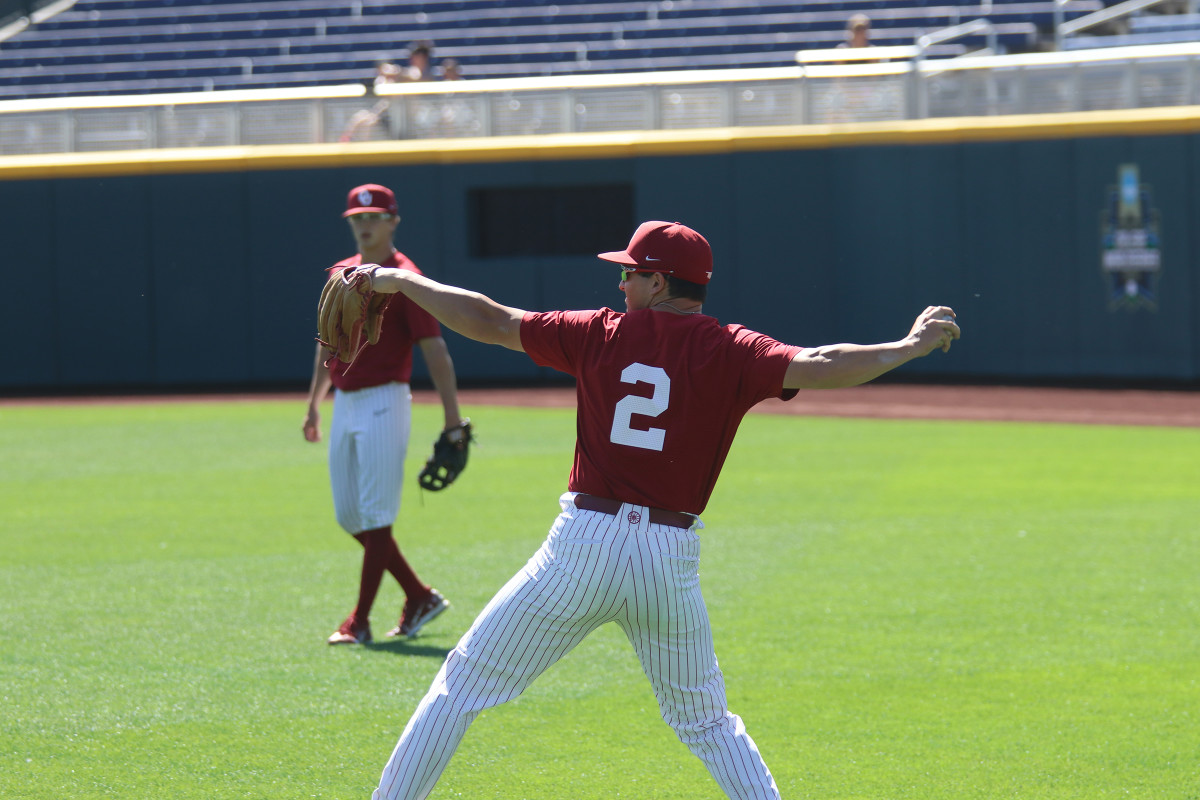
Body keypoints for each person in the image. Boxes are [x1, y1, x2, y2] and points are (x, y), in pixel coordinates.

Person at [357, 220, 961, 798]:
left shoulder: (599, 332)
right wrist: (907, 347)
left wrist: (404, 282)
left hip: (583, 548)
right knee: (708, 725)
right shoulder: (731, 348)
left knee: (460, 688)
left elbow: (490, 320)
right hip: (666, 559)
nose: (620, 285)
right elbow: (824, 363)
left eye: (630, 274)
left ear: (659, 281)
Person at [303, 183, 465, 645]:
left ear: (393, 221)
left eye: (374, 217)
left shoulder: (405, 277)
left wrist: (452, 418)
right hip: (346, 401)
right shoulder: (341, 273)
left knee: (375, 516)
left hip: (386, 400)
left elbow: (435, 350)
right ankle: (418, 595)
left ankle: (360, 622)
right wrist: (314, 403)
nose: (365, 224)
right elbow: (327, 346)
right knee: (349, 515)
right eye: (357, 218)